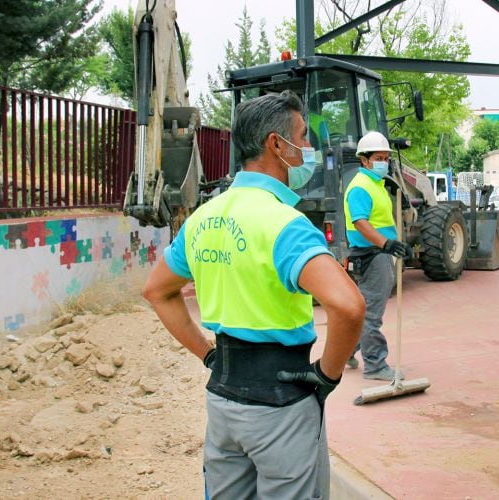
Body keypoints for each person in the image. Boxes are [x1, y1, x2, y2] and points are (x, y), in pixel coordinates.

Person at [142, 90, 364, 499]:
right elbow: (348, 306)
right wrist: (326, 376)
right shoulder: (285, 224)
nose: (310, 149)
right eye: (304, 136)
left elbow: (157, 291)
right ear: (277, 145)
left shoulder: (202, 219)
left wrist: (206, 353)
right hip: (282, 405)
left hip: (223, 400)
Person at [343, 131, 414, 381]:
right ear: (364, 160)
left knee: (366, 310)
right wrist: (386, 244)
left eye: (386, 157)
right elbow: (360, 223)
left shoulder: (376, 184)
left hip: (377, 253)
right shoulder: (361, 187)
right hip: (372, 255)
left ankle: (346, 352)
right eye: (379, 157)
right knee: (372, 313)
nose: (384, 162)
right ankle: (375, 365)